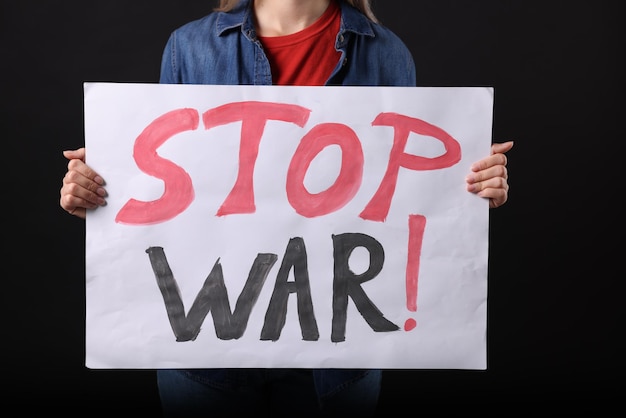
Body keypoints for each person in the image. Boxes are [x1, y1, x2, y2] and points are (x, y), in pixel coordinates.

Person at [60, 0, 514, 416]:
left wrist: (469, 188)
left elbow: (407, 201)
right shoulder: (190, 46)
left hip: (339, 356)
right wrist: (99, 194)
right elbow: (164, 199)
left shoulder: (387, 55)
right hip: (204, 349)